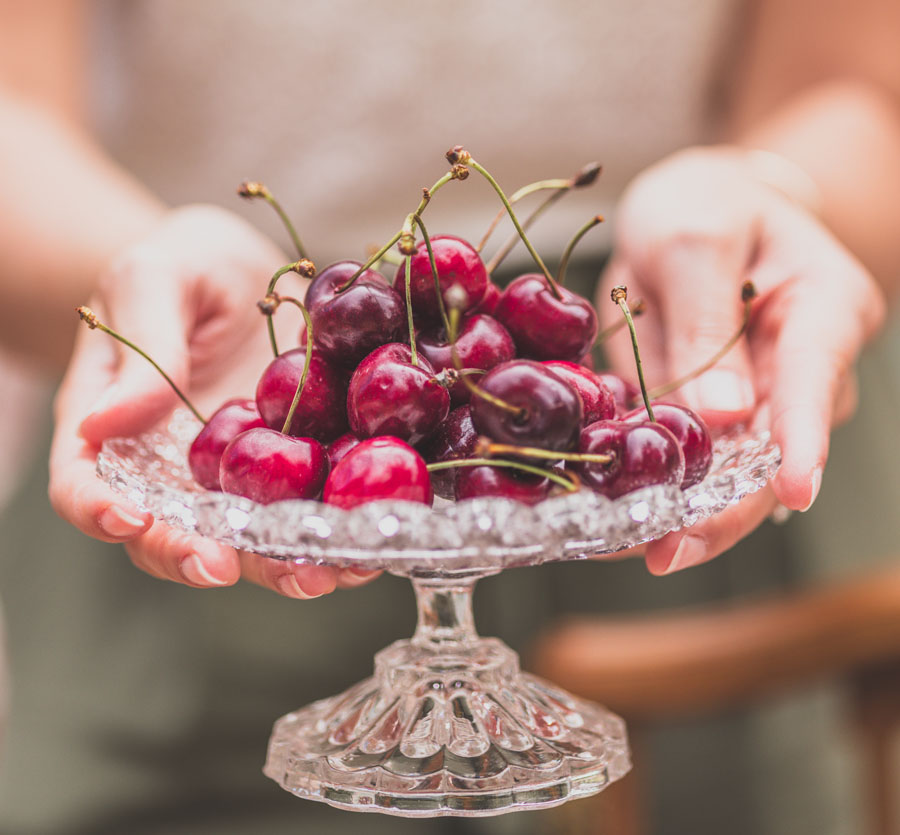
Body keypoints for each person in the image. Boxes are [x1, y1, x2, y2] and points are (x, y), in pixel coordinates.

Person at [0, 1, 898, 832]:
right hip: (230, 368)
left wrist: (773, 192)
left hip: (654, 376)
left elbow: (856, 90)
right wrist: (133, 268)